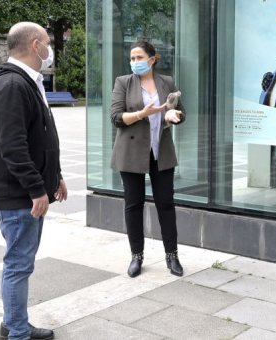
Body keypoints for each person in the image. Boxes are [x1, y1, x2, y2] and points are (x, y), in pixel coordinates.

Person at [0, 22, 64, 340]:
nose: (49, 48)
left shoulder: (26, 82)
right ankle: (16, 332)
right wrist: (36, 188)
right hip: (18, 196)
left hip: (26, 193)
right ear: (34, 45)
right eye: (46, 42)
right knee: (18, 264)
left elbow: (39, 138)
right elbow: (13, 148)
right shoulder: (13, 86)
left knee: (21, 261)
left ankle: (14, 322)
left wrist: (55, 178)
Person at [110, 41, 186, 278]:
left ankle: (172, 256)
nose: (135, 62)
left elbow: (181, 112)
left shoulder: (167, 82)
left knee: (166, 203)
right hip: (131, 151)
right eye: (132, 58)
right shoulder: (123, 82)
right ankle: (136, 256)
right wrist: (142, 114)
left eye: (139, 57)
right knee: (133, 205)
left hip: (160, 151)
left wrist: (174, 115)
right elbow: (116, 117)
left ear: (152, 59)